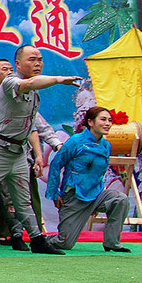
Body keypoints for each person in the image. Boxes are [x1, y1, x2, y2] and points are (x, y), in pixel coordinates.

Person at [0, 45, 78, 258]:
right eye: (32, 59)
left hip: (19, 152)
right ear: (17, 64)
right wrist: (57, 79)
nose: (37, 63)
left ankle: (37, 240)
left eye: (40, 59)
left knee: (23, 200)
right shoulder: (11, 82)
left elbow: (36, 124)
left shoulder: (34, 92)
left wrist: (56, 143)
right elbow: (28, 83)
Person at [46, 106, 131, 253]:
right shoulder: (75, 141)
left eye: (109, 120)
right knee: (64, 243)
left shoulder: (106, 146)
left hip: (97, 194)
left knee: (120, 199)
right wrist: (55, 194)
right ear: (90, 122)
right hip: (74, 196)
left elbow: (99, 174)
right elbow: (55, 165)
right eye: (103, 120)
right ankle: (42, 240)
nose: (108, 124)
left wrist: (96, 200)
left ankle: (112, 242)